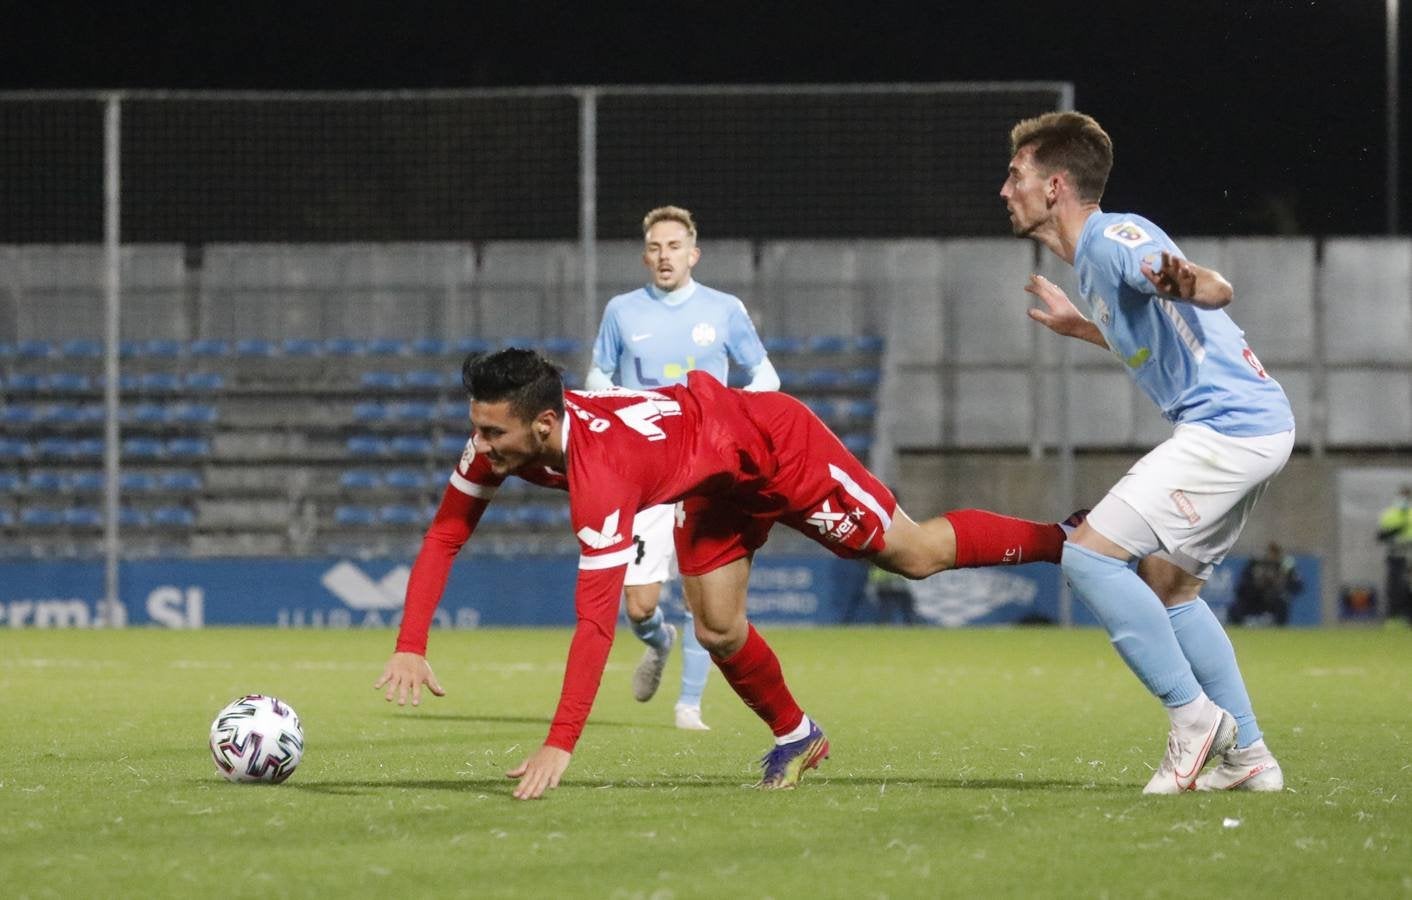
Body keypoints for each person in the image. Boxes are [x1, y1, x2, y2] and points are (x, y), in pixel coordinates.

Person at [376, 348, 1074, 799]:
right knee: (716, 627)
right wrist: (411, 641)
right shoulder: (502, 444)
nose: (481, 443)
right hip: (708, 481)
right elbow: (445, 533)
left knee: (915, 555)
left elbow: (593, 619)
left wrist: (561, 742)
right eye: (479, 427)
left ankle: (1064, 539)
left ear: (543, 425)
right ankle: (797, 733)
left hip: (777, 450)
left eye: (494, 432)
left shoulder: (601, 471)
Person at [1003, 111, 1294, 793]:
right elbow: (1158, 332)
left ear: (1053, 186)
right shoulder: (1094, 268)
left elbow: (1207, 287)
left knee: (1087, 553)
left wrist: (1201, 285)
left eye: (1014, 175)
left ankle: (1194, 720)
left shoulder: (1113, 239)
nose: (1004, 189)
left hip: (1226, 428)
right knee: (1171, 588)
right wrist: (1085, 327)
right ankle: (1248, 754)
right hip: (1251, 426)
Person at [585, 205, 781, 731]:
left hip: (707, 474)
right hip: (646, 474)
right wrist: (626, 407)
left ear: (693, 254)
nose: (663, 255)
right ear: (645, 256)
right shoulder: (622, 311)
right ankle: (658, 642)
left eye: (674, 246)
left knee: (705, 599)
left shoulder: (722, 310)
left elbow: (766, 377)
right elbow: (597, 376)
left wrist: (730, 412)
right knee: (641, 607)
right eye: (654, 247)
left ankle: (688, 705)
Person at [1229, 542, 1302, 626]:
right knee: (1235, 607)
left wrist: (1281, 585)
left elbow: (1297, 585)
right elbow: (1241, 585)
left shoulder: (1284, 567)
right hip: (1254, 598)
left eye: (1275, 554)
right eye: (1270, 553)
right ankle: (1237, 629)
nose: (1271, 556)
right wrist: (1256, 582)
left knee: (1282, 603)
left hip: (1273, 600)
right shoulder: (1255, 564)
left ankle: (1280, 630)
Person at [1376, 485, 1412, 624]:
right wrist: (1397, 530)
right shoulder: (1389, 514)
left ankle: (1408, 617)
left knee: (1408, 587)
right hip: (1396, 554)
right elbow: (1380, 535)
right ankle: (1394, 617)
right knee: (1395, 587)